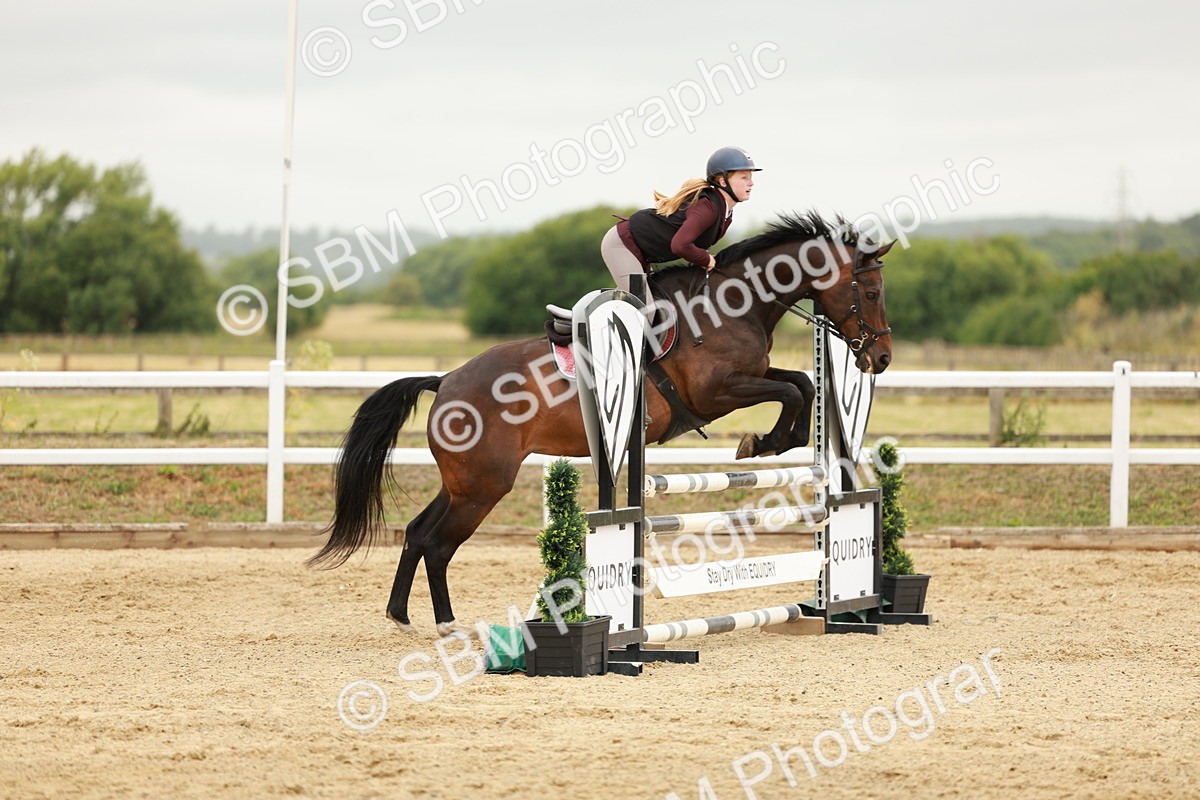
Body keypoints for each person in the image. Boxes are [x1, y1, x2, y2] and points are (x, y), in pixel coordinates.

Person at [602, 146, 761, 305]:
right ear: (722, 181)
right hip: (622, 245)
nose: (751, 183)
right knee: (646, 312)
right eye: (744, 177)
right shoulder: (708, 208)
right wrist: (706, 259)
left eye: (751, 177)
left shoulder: (724, 212)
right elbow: (680, 245)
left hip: (641, 252)